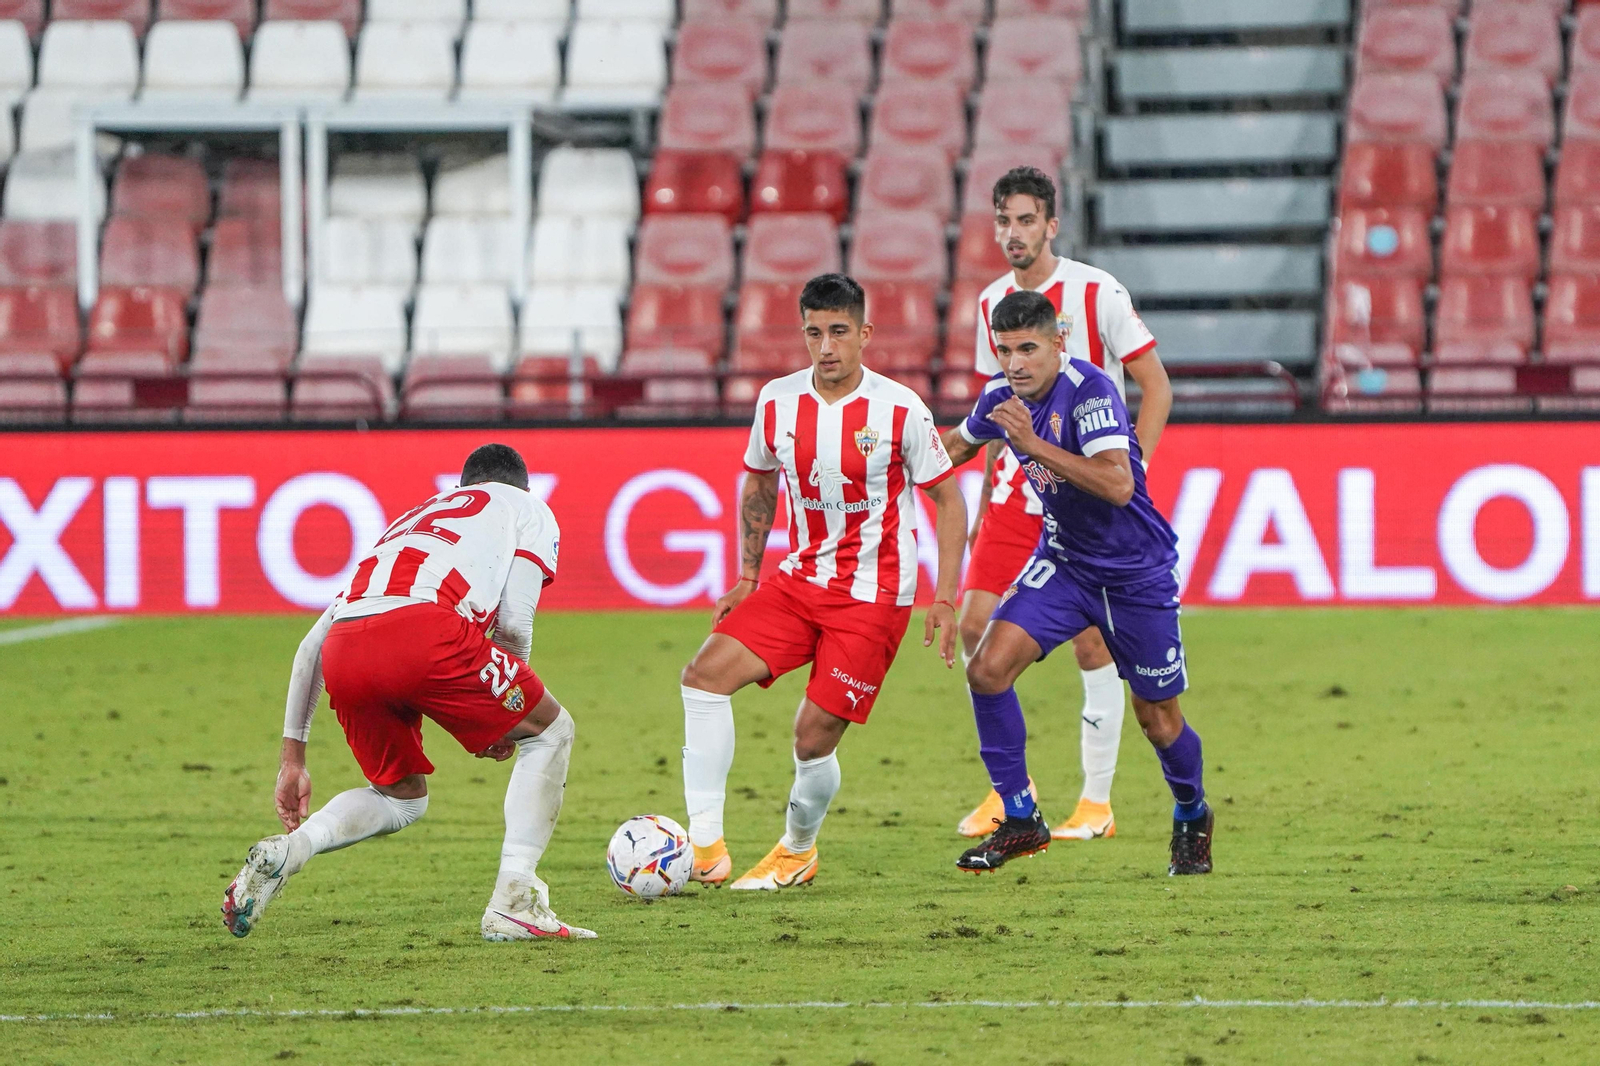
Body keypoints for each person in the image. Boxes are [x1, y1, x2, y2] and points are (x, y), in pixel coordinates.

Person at [222, 444, 597, 941]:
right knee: (551, 732)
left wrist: (293, 760)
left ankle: (292, 850)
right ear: (521, 486)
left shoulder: (413, 519)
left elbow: (310, 648)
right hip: (425, 633)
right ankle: (515, 899)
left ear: (463, 486)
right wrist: (501, 710)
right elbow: (513, 619)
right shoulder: (528, 508)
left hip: (346, 647)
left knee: (402, 800)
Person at [679, 273, 969, 891]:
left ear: (864, 334)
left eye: (839, 332)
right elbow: (758, 479)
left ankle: (797, 848)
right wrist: (748, 573)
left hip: (874, 594)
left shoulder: (900, 408)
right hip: (796, 581)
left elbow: (948, 500)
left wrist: (945, 596)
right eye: (814, 333)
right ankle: (704, 847)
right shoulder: (777, 401)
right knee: (703, 678)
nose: (826, 346)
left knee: (812, 737)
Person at [943, 290, 1212, 877]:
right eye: (1006, 350)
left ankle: (1192, 812)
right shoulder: (1001, 396)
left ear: (1058, 343)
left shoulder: (1090, 392)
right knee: (986, 670)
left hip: (1134, 572)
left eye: (1029, 349)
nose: (1016, 363)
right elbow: (955, 448)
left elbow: (1118, 484)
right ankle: (1020, 818)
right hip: (1065, 562)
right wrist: (884, 458)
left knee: (1157, 717)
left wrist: (1032, 445)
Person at [955, 165, 1174, 845]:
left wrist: (1127, 476)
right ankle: (1010, 795)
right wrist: (988, 493)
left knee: (1089, 641)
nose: (1013, 234)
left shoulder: (1095, 290)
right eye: (1003, 221)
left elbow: (1156, 386)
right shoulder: (992, 302)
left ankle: (1095, 800)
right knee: (974, 626)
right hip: (1015, 492)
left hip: (1086, 489)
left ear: (1051, 224)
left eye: (1026, 220)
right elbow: (995, 411)